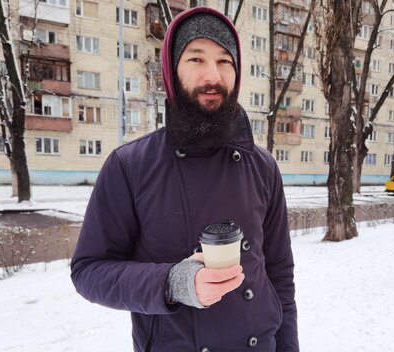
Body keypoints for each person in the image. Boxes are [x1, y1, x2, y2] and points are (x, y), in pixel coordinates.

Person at [71, 6, 298, 352]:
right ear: (171, 72)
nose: (213, 76)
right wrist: (172, 283)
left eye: (225, 61)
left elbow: (279, 274)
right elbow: (89, 271)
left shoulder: (262, 166)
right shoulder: (129, 166)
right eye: (196, 59)